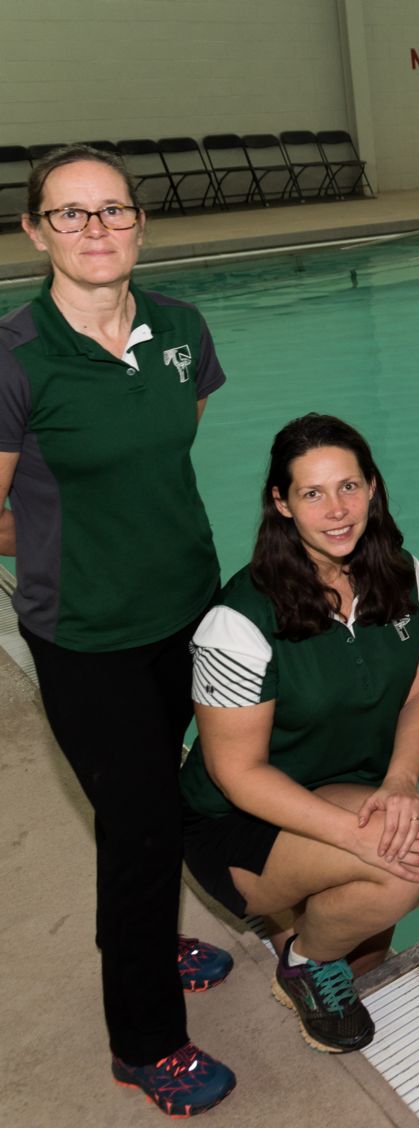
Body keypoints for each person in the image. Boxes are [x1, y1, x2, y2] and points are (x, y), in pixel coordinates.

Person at [0, 145, 236, 1117]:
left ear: (139, 222)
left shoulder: (182, 328)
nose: (97, 230)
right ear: (34, 231)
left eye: (114, 211)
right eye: (72, 214)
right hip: (86, 634)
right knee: (136, 830)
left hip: (190, 606)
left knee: (177, 789)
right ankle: (143, 1042)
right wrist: (64, 539)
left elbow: (175, 435)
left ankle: (153, 936)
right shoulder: (16, 357)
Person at [180, 414, 419, 1054]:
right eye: (312, 493)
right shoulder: (238, 620)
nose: (337, 510)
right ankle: (304, 959)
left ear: (374, 486)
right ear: (281, 502)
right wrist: (359, 839)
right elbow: (236, 772)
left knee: (409, 843)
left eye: (349, 487)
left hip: (344, 785)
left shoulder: (402, 577)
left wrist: (402, 781)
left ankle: (307, 934)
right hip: (236, 821)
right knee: (410, 858)